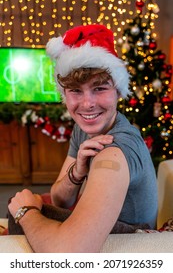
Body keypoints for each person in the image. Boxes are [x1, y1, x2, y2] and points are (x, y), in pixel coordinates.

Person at [8, 24, 158, 253]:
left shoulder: (116, 150)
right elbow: (61, 200)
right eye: (76, 91)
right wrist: (77, 173)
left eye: (99, 88)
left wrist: (25, 213)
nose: (87, 104)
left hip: (129, 249)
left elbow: (70, 256)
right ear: (64, 94)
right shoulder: (85, 130)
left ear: (118, 90)